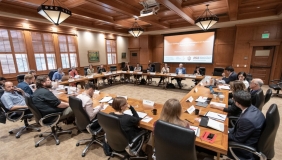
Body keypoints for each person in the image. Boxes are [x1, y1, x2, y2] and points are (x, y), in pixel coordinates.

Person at [228, 90, 265, 160]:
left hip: (243, 150)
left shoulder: (246, 120)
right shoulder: (252, 108)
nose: (232, 100)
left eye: (233, 99)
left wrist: (224, 133)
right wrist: (227, 130)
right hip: (248, 138)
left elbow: (237, 139)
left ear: (237, 103)